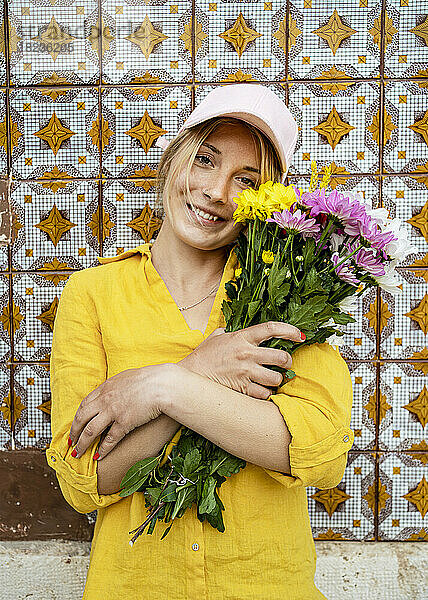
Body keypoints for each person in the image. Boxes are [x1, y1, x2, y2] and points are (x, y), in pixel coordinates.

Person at [46, 83, 354, 600]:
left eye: (246, 180)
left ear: (267, 200)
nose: (216, 191)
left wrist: (166, 387)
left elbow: (318, 453)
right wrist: (200, 371)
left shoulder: (287, 291)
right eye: (206, 160)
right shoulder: (94, 293)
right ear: (173, 160)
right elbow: (85, 481)